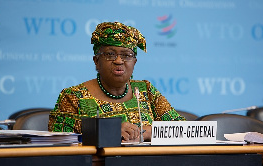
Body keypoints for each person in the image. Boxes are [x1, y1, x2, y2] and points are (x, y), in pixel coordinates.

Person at [48, 22, 185, 142]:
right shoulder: (73, 97)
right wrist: (109, 132)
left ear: (134, 62)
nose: (119, 61)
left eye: (126, 55)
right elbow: (59, 143)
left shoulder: (145, 90)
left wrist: (148, 131)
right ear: (96, 62)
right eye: (110, 54)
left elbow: (183, 130)